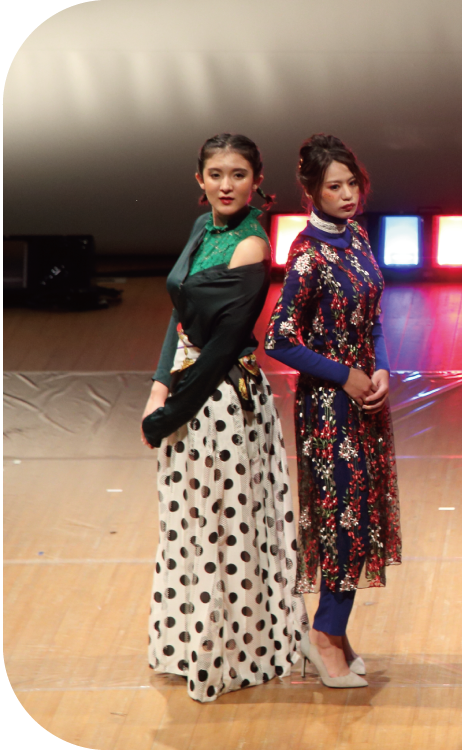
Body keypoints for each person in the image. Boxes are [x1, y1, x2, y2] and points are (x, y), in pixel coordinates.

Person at [141, 133, 306, 702]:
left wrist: (170, 412)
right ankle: (189, 644)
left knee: (227, 531)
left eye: (238, 174)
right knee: (190, 525)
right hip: (186, 390)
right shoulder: (200, 228)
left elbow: (222, 347)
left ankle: (232, 654)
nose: (226, 185)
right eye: (216, 174)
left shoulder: (252, 244)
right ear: (200, 180)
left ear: (257, 180)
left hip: (222, 402)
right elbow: (180, 316)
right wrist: (157, 388)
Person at [263, 134, 400, 689]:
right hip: (329, 408)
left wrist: (381, 369)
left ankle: (335, 632)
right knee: (342, 519)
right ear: (312, 192)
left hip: (366, 400)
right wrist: (345, 375)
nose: (347, 195)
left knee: (361, 516)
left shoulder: (357, 236)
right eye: (334, 187)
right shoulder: (307, 255)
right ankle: (323, 636)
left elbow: (374, 318)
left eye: (352, 184)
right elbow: (278, 338)